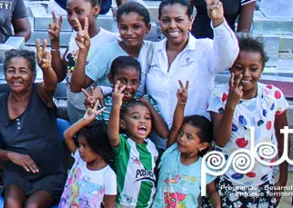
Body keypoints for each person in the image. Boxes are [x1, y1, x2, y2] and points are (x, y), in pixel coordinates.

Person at [209, 37, 288, 208]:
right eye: (239, 68)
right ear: (231, 67)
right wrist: (231, 104)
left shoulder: (273, 96)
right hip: (228, 183)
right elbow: (221, 140)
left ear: (262, 69)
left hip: (262, 183)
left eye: (253, 69)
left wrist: (282, 178)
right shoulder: (219, 95)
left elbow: (283, 137)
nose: (245, 74)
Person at [0, 47, 65, 208]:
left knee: (32, 206)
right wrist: (11, 155)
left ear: (33, 76)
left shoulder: (40, 94)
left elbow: (51, 85)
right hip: (17, 174)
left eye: (23, 71)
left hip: (49, 174)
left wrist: (46, 68)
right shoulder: (0, 102)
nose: (16, 76)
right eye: (11, 70)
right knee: (12, 203)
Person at [145, 0, 239, 134]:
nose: (172, 26)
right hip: (157, 138)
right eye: (166, 20)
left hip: (194, 141)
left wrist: (218, 21)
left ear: (191, 21)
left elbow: (228, 58)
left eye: (179, 20)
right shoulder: (150, 51)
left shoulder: (204, 48)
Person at [157, 93, 220, 208]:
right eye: (181, 133)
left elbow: (212, 191)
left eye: (189, 137)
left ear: (203, 145)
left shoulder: (203, 167)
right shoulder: (171, 151)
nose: (181, 139)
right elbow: (176, 125)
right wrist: (181, 103)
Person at [106, 80, 159, 208]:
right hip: (123, 205)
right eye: (135, 117)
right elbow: (112, 136)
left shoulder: (152, 148)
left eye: (147, 118)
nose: (142, 121)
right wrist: (116, 106)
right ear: (123, 124)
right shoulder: (125, 145)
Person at [58, 112, 116, 208]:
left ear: (98, 146)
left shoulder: (108, 175)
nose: (80, 149)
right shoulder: (79, 159)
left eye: (85, 146)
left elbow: (109, 206)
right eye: (79, 145)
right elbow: (67, 135)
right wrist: (85, 120)